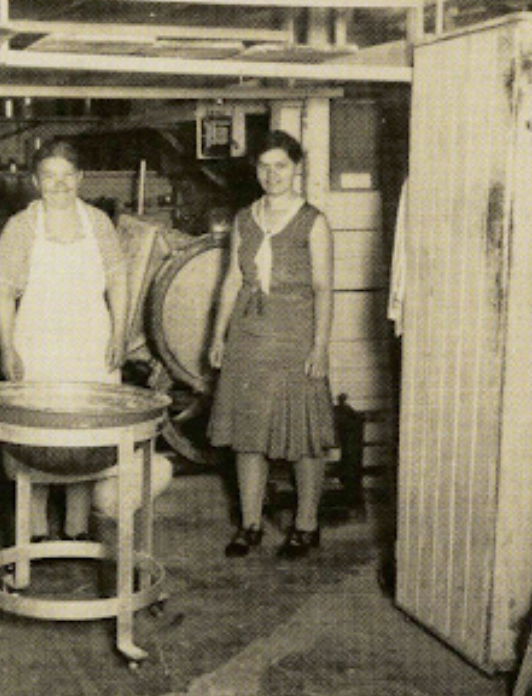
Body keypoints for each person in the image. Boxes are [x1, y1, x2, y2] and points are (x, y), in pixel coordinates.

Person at [208, 130, 338, 560]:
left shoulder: (313, 221)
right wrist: (218, 334)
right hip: (248, 338)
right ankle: (250, 523)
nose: (272, 174)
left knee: (302, 435)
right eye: (264, 166)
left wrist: (319, 348)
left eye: (281, 165)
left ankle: (306, 524)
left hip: (295, 338)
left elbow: (323, 288)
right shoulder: (245, 218)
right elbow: (232, 280)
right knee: (248, 435)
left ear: (296, 168)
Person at [0, 138, 128, 541]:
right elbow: (3, 294)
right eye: (50, 176)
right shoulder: (20, 226)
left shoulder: (99, 223)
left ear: (81, 178)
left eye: (67, 175)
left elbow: (118, 280)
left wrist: (120, 333)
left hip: (91, 343)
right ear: (36, 181)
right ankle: (33, 531)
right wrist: (7, 346)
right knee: (37, 435)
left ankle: (76, 529)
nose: (59, 184)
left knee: (87, 434)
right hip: (38, 344)